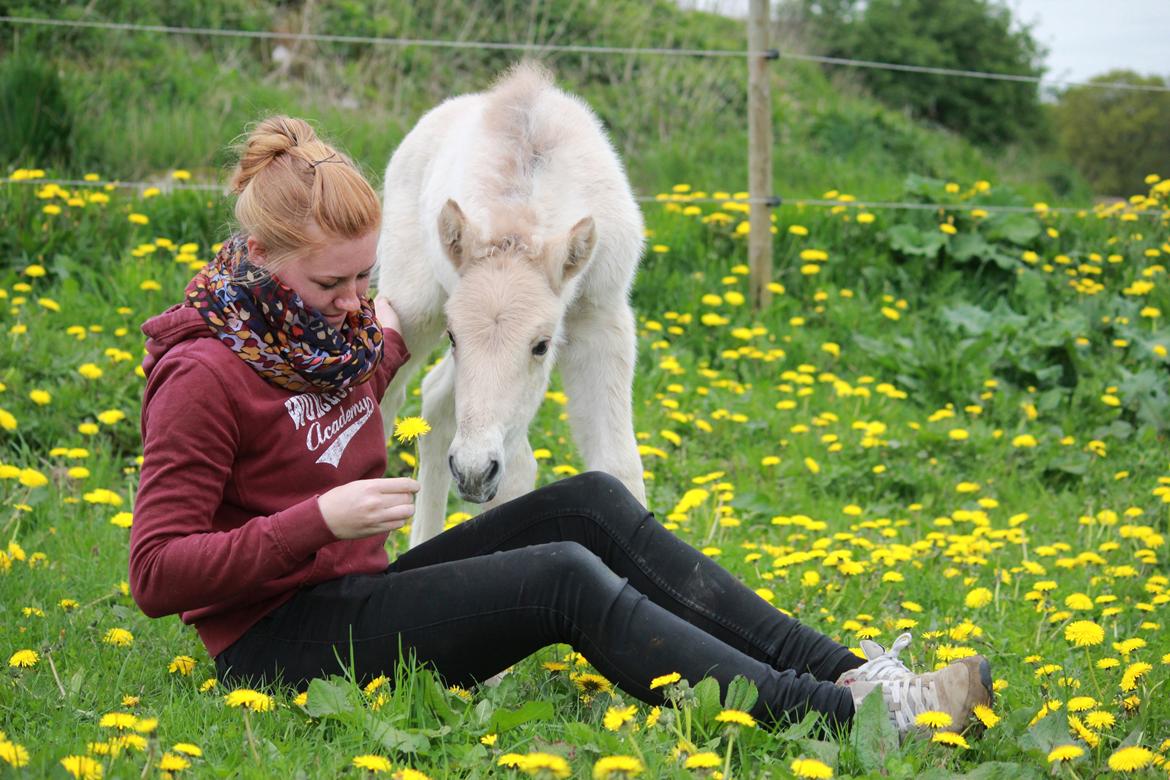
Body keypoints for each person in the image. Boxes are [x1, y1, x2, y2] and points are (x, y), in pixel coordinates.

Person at [130, 115, 992, 739]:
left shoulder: (343, 335)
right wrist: (316, 523)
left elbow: (482, 328)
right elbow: (157, 574)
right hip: (280, 646)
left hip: (359, 595)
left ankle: (851, 670)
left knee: (589, 504)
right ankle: (847, 723)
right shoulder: (203, 374)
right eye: (333, 286)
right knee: (562, 579)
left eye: (367, 278)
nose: (361, 305)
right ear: (263, 264)